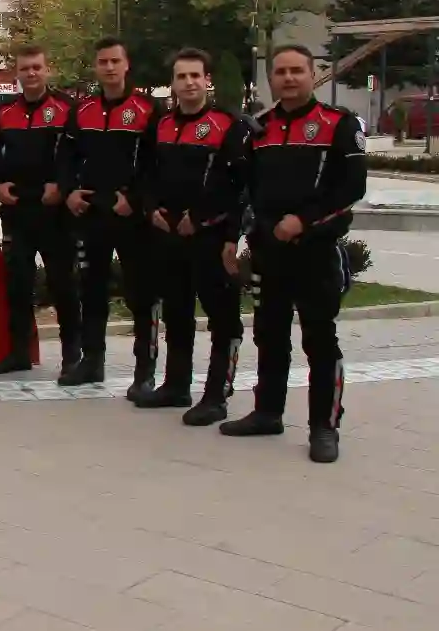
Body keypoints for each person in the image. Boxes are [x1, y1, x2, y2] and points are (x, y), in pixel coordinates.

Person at [223, 46, 366, 463]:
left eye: (296, 71)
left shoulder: (338, 124)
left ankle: (325, 426)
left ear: (312, 74)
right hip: (268, 252)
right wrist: (235, 236)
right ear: (272, 80)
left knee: (320, 341)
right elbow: (243, 188)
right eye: (281, 72)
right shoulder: (258, 129)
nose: (288, 78)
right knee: (269, 336)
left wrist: (304, 221)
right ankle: (268, 412)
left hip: (316, 250)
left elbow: (351, 188)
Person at [139, 48, 246, 419]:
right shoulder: (161, 125)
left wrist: (202, 219)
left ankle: (216, 395)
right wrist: (151, 208)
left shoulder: (228, 125)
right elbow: (146, 174)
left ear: (207, 80)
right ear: (172, 83)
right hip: (168, 235)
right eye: (181, 77)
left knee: (223, 318)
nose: (188, 83)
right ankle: (175, 385)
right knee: (177, 313)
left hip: (210, 236)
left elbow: (238, 187)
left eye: (195, 76)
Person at [65, 37, 160, 395]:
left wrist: (135, 199)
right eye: (102, 61)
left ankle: (144, 372)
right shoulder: (82, 110)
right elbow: (68, 157)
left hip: (131, 218)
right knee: (91, 291)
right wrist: (70, 189)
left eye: (114, 61)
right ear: (96, 67)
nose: (109, 67)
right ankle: (92, 362)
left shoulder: (149, 109)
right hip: (92, 214)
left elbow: (157, 163)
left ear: (126, 65)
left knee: (141, 295)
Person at [0, 45, 80, 376]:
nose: (31, 73)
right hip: (17, 211)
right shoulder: (3, 113)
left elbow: (78, 156)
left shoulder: (67, 109)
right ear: (16, 73)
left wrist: (63, 187)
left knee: (62, 284)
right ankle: (18, 353)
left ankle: (73, 354)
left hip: (55, 212)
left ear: (47, 69)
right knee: (18, 284)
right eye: (25, 68)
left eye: (36, 67)